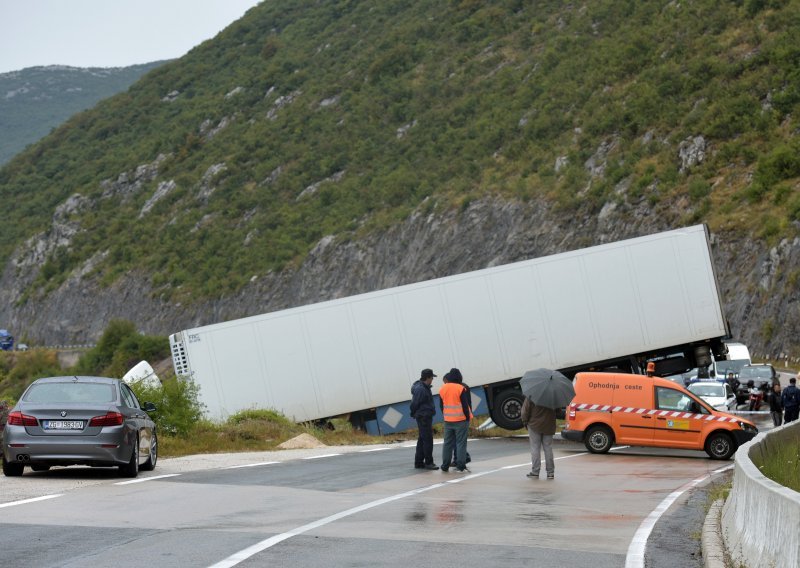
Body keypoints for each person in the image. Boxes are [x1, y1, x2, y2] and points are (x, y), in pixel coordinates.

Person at [439, 367, 472, 473]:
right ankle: (461, 465)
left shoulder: (443, 388)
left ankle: (445, 465)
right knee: (461, 443)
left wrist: (446, 415)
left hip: (448, 420)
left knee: (447, 443)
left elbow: (441, 405)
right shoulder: (460, 388)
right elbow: (465, 405)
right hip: (461, 420)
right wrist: (467, 418)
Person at [521, 394, 557, 480]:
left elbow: (524, 411)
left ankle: (535, 472)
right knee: (548, 448)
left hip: (534, 425)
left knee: (535, 448)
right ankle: (550, 473)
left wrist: (525, 421)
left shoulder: (531, 395)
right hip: (549, 425)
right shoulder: (553, 396)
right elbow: (558, 411)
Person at [410, 369, 439, 470]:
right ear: (427, 378)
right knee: (427, 440)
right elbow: (414, 404)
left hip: (423, 416)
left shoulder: (423, 387)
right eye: (432, 378)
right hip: (424, 417)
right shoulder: (421, 389)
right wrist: (414, 413)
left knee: (422, 439)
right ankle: (429, 462)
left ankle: (418, 462)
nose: (432, 380)